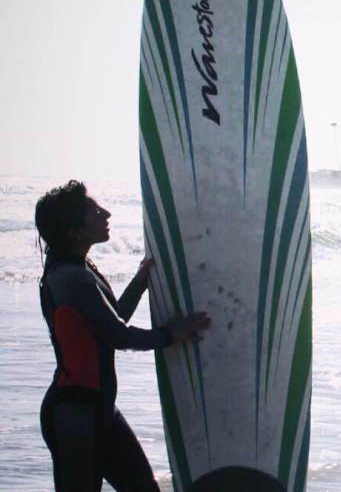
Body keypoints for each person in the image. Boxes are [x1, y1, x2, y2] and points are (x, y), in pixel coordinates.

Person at [35, 180, 210, 492]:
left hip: (97, 411)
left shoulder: (78, 268)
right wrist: (171, 334)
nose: (107, 213)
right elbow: (119, 335)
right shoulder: (71, 277)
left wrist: (141, 281)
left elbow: (111, 320)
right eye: (95, 211)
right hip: (74, 418)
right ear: (75, 230)